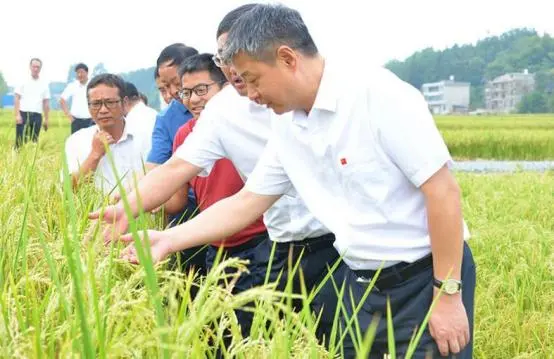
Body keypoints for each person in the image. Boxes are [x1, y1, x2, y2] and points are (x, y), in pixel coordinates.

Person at [110, 4, 476, 358]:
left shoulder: (375, 93)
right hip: (361, 282)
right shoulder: (288, 124)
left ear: (287, 58)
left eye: (253, 80)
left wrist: (447, 294)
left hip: (423, 277)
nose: (251, 95)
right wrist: (168, 239)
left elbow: (442, 192)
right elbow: (247, 201)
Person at [90, 3, 337, 315]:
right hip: (278, 244)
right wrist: (129, 206)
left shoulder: (319, 101)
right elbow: (179, 169)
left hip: (336, 245)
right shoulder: (224, 111)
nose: (233, 66)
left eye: (239, 54)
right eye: (224, 57)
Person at [63, 74, 151, 194]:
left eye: (110, 102)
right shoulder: (76, 141)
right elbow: (68, 189)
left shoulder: (145, 138)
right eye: (96, 104)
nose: (103, 110)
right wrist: (95, 155)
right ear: (88, 107)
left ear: (124, 103)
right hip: (94, 212)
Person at [14, 58, 50, 148]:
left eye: (38, 67)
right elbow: (17, 98)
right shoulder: (22, 80)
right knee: (20, 141)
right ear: (30, 67)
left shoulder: (44, 84)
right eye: (34, 66)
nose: (36, 69)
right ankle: (16, 160)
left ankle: (30, 160)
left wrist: (46, 119)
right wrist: (17, 115)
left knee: (34, 142)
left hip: (37, 115)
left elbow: (46, 103)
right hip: (23, 114)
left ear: (40, 69)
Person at [60, 63, 94, 134]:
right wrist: (69, 116)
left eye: (81, 72)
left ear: (87, 72)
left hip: (91, 120)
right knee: (76, 143)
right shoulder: (72, 86)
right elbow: (62, 100)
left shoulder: (93, 84)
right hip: (76, 121)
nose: (79, 75)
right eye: (77, 73)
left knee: (90, 143)